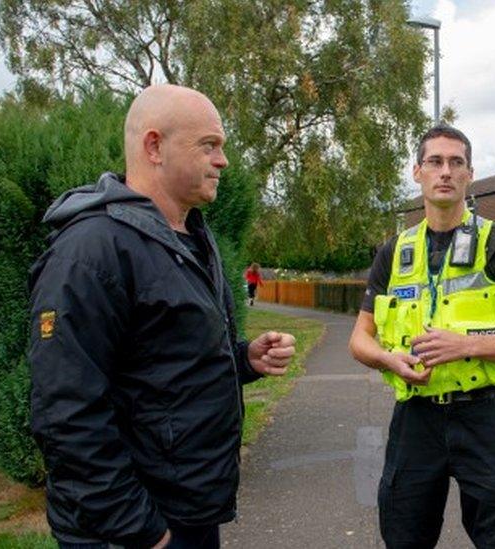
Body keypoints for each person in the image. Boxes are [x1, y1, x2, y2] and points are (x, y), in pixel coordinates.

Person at [28, 84, 297, 549]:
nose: (223, 161)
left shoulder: (190, 237)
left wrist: (244, 360)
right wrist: (144, 530)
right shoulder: (91, 251)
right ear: (154, 146)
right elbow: (66, 412)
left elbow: (167, 367)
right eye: (209, 145)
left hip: (188, 511)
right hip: (130, 528)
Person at [349, 124, 495, 548]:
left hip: (483, 416)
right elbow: (360, 339)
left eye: (455, 163)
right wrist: (390, 361)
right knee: (404, 535)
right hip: (415, 419)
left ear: (470, 174)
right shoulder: (394, 252)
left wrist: (466, 346)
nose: (445, 171)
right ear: (417, 172)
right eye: (435, 162)